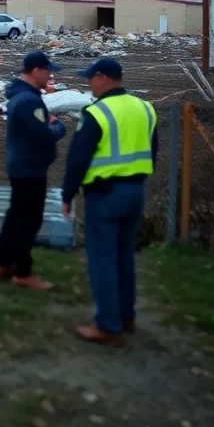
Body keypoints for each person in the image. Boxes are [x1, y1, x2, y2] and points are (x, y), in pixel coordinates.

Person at [61, 57, 158, 346]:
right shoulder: (145, 108)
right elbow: (152, 152)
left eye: (90, 78)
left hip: (104, 196)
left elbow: (78, 159)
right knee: (124, 256)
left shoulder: (97, 113)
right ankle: (126, 317)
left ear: (103, 78)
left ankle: (107, 326)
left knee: (102, 258)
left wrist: (68, 194)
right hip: (135, 191)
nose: (88, 84)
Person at [0, 51, 67, 290]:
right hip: (30, 168)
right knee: (28, 221)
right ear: (36, 71)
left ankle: (4, 262)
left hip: (22, 165)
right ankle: (23, 272)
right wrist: (58, 127)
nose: (50, 76)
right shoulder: (29, 101)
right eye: (48, 71)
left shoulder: (21, 97)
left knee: (16, 215)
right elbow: (44, 136)